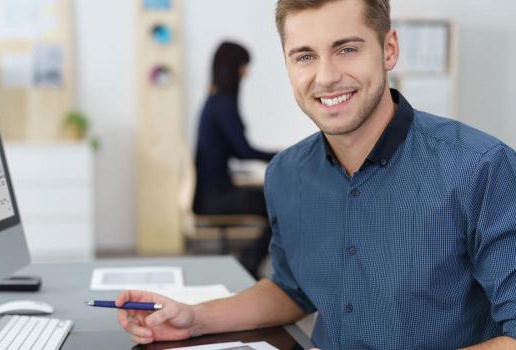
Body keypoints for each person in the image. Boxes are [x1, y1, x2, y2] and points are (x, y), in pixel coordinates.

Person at [117, 0, 516, 348]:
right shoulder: (286, 175)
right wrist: (194, 318)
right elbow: (290, 290)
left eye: (346, 49)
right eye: (304, 56)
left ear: (389, 49)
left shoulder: (480, 168)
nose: (325, 76)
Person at [192, 41, 276, 278]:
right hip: (215, 198)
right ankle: (249, 260)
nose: (246, 72)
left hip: (211, 193)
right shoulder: (224, 105)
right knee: (283, 205)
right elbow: (244, 151)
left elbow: (237, 152)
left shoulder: (214, 100)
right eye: (243, 66)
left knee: (275, 203)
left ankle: (250, 258)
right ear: (233, 68)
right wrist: (285, 155)